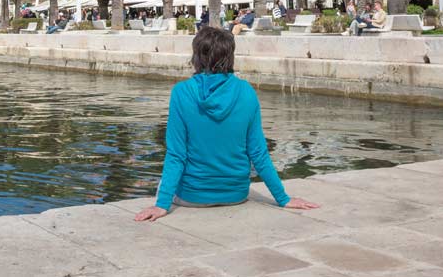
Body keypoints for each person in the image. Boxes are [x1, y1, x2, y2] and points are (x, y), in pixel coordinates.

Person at [134, 27, 320, 222]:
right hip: (236, 195)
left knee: (167, 179)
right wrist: (283, 198)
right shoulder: (246, 92)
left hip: (192, 196)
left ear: (197, 56)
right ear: (230, 57)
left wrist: (161, 204)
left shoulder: (181, 92)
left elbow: (176, 154)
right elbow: (258, 153)